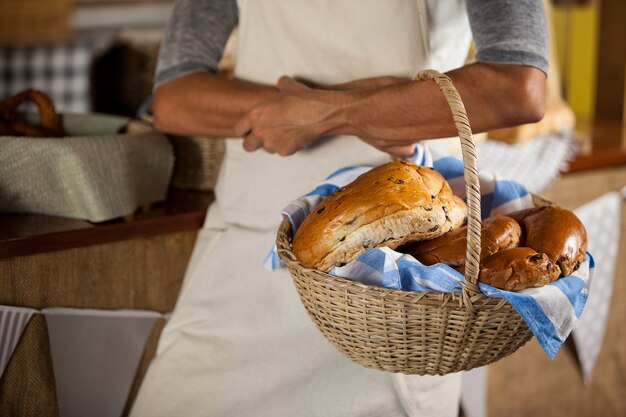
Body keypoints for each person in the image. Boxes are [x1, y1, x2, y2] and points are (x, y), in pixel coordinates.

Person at [130, 1, 548, 416]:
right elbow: (175, 96)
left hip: (399, 292)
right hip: (247, 262)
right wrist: (367, 107)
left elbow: (518, 86)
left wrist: (327, 113)